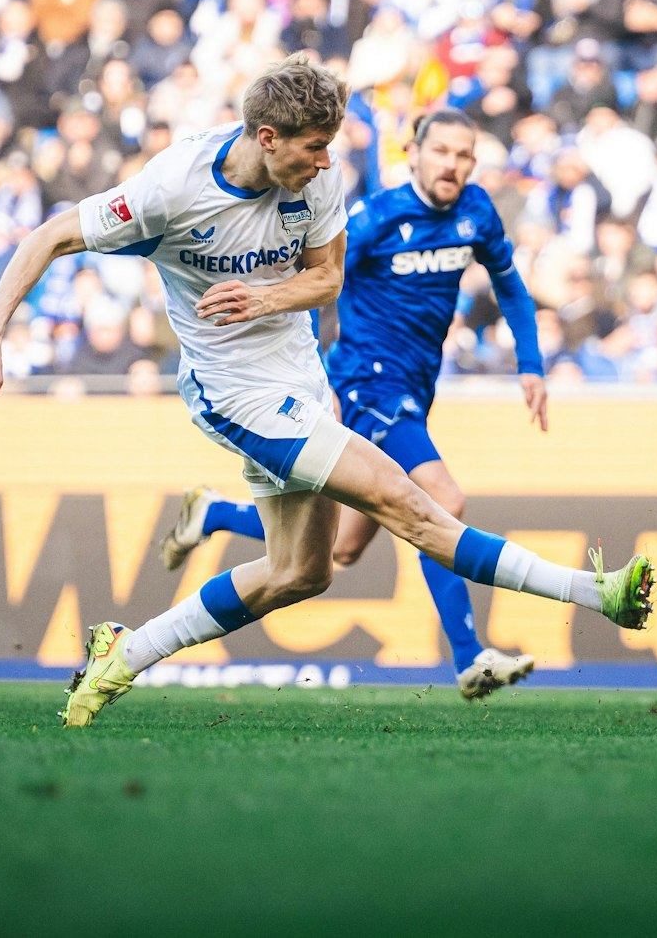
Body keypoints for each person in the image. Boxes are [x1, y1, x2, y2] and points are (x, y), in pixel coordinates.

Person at [0, 56, 653, 728]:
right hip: (237, 394)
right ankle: (597, 593)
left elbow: (327, 278)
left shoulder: (319, 178)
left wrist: (263, 298)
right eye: (313, 148)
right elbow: (51, 235)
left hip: (301, 377)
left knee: (302, 571)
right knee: (412, 501)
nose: (325, 163)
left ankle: (124, 654)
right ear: (267, 138)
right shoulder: (170, 189)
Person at [160, 110, 548, 701]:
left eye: (464, 155)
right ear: (413, 154)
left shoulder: (476, 212)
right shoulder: (376, 217)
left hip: (414, 389)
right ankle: (471, 659)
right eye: (441, 151)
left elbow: (510, 284)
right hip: (364, 385)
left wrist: (531, 363)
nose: (452, 165)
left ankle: (214, 514)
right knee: (444, 499)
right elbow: (316, 276)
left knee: (338, 547)